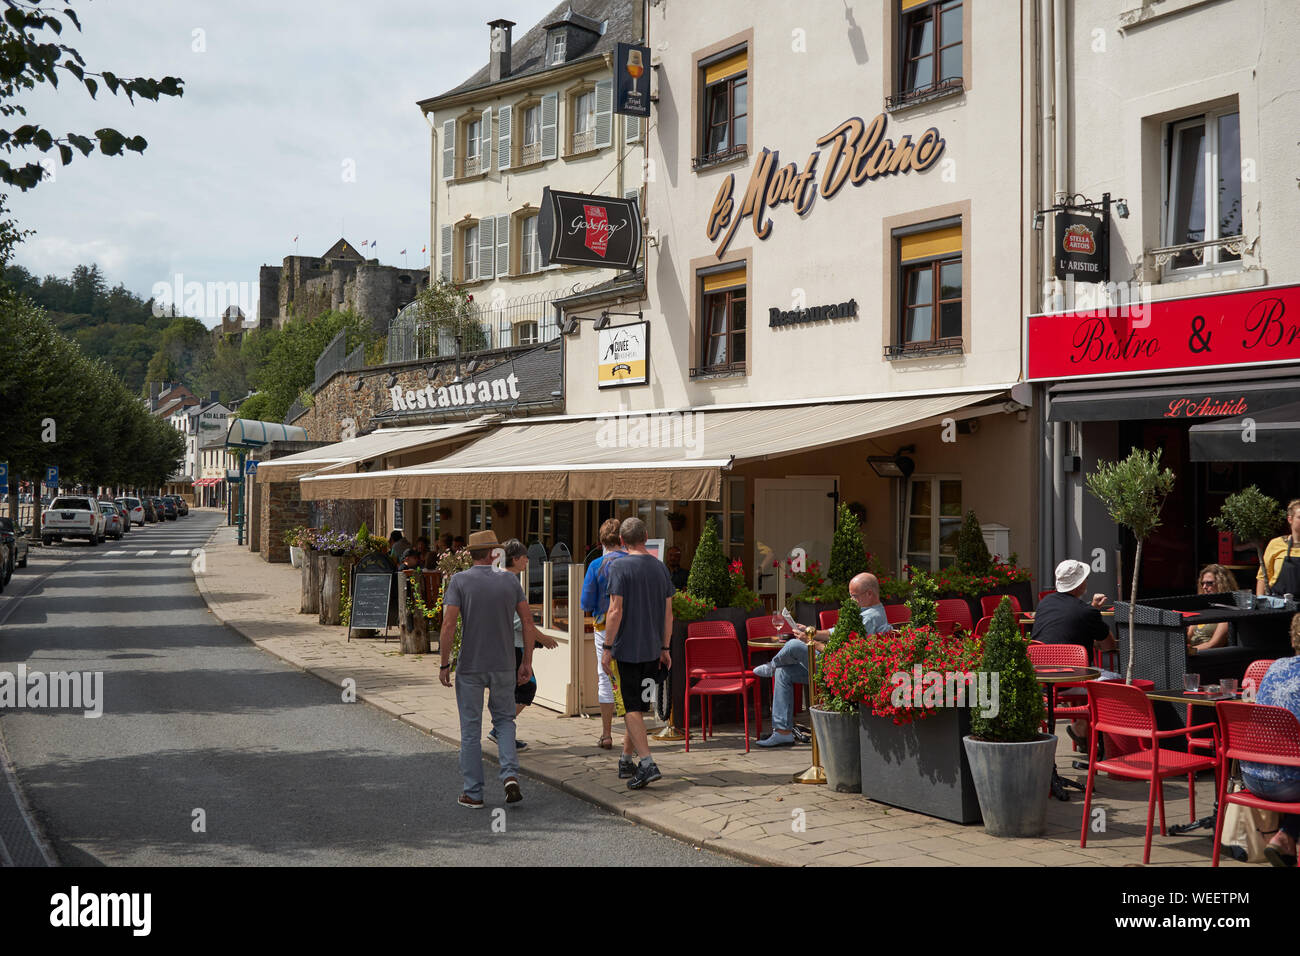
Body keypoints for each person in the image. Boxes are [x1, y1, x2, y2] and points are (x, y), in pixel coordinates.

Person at [439, 530, 544, 809]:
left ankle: (473, 793)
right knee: (505, 721)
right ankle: (510, 775)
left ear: (473, 553)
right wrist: (527, 662)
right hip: (503, 664)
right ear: (492, 553)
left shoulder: (459, 581)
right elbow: (528, 622)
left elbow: (448, 625)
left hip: (471, 665)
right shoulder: (509, 581)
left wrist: (444, 662)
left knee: (471, 729)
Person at [753, 572, 890, 747]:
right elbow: (836, 633)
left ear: (869, 594)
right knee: (784, 672)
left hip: (839, 668)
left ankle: (772, 665)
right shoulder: (864, 611)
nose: (851, 600)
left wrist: (810, 641)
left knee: (794, 645)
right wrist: (812, 631)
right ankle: (783, 732)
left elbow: (842, 652)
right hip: (832, 661)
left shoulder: (869, 617)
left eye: (854, 596)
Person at [602, 517, 674, 790]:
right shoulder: (660, 568)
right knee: (639, 707)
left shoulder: (618, 567)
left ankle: (647, 763)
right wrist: (665, 647)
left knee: (630, 706)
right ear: (645, 536)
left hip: (627, 648)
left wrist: (607, 648)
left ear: (622, 541)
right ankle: (625, 759)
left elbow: (615, 610)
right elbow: (669, 613)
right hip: (653, 649)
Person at [1033, 559, 1119, 750]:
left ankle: (1083, 733)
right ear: (1080, 584)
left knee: (1084, 675)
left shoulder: (1045, 603)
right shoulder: (1085, 612)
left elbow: (1067, 625)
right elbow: (1108, 646)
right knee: (1116, 681)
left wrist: (1092, 610)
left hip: (1042, 680)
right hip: (1068, 680)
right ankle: (1088, 731)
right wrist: (1094, 613)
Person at [1240, 614, 1300, 866]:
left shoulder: (1274, 667)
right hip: (1287, 783)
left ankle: (1286, 837)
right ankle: (1286, 835)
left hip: (1251, 776)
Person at [491, 539, 559, 753]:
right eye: (525, 557)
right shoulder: (511, 582)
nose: (528, 561)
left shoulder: (496, 578)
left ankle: (502, 731)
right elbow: (520, 622)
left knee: (511, 690)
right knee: (527, 687)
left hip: (501, 644)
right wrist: (544, 638)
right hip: (514, 645)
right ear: (516, 559)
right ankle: (500, 730)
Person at [581, 519, 625, 750]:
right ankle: (632, 734)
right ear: (622, 539)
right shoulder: (633, 561)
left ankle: (607, 734)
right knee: (629, 677)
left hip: (603, 626)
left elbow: (586, 602)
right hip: (632, 626)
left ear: (601, 542)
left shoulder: (596, 565)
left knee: (605, 678)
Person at [1257, 499, 1300, 597]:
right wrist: (1260, 602)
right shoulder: (1275, 544)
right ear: (1290, 519)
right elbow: (1263, 577)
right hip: (1279, 605)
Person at [1187, 564, 1234, 649]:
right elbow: (1188, 636)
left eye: (1209, 583)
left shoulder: (1228, 609)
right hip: (1190, 653)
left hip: (1207, 655)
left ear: (1221, 584)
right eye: (1202, 583)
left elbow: (1214, 644)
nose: (1204, 587)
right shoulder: (1202, 607)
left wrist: (1188, 652)